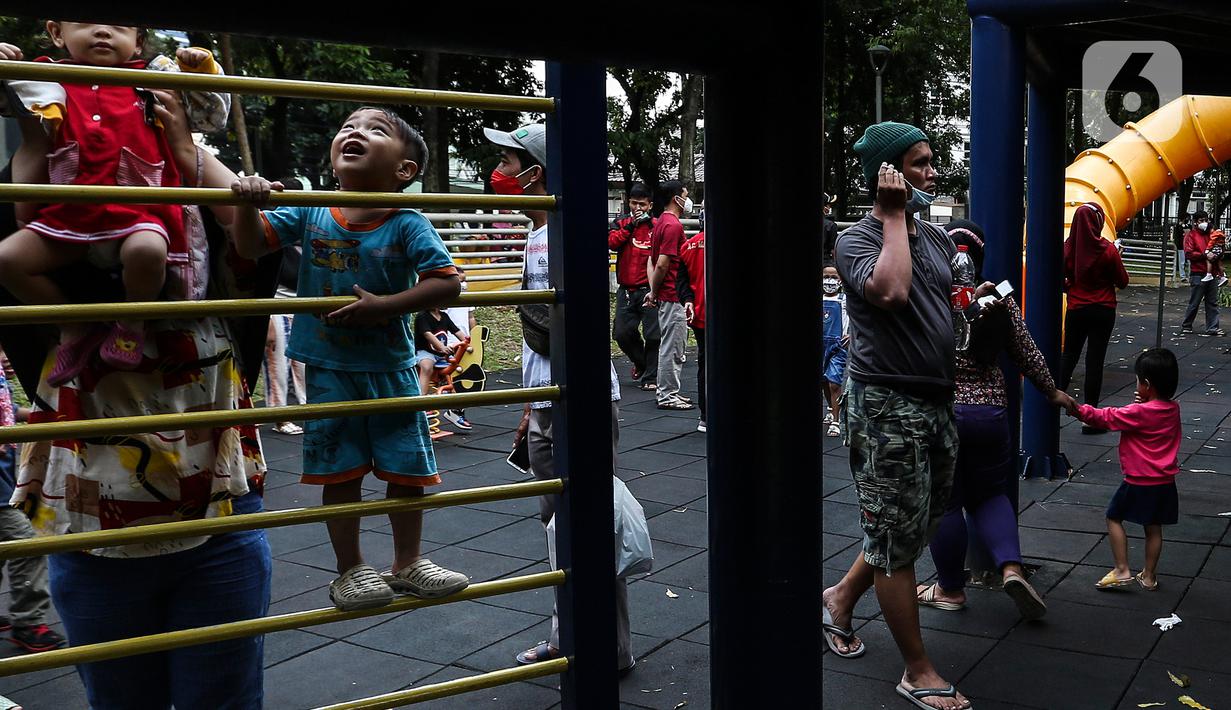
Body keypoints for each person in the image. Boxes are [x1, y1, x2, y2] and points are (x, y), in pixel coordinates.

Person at [11, 89, 269, 710]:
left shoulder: (181, 146)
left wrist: (185, 151)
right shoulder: (55, 152)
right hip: (91, 525)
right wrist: (31, 118)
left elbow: (257, 244)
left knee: (224, 699)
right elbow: (17, 226)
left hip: (216, 507)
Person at [229, 107, 469, 610]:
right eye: (348, 126)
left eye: (376, 130)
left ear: (404, 171)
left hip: (391, 366)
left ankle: (407, 562)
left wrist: (383, 307)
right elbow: (249, 247)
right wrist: (248, 204)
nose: (355, 132)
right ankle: (350, 570)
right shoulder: (312, 210)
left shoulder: (407, 222)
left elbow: (446, 282)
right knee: (341, 473)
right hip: (330, 368)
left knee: (407, 470)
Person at [824, 121, 971, 710]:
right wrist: (889, 217)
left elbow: (954, 293)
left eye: (931, 161)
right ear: (886, 173)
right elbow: (889, 293)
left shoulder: (932, 237)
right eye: (916, 163)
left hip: (935, 401)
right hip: (886, 404)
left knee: (909, 524)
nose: (930, 172)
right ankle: (917, 669)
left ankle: (838, 599)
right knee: (895, 535)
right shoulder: (857, 239)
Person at [482, 122, 634, 674]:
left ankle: (597, 644)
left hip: (581, 399)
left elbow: (571, 326)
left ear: (535, 173)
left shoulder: (569, 234)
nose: (497, 171)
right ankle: (580, 636)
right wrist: (532, 401)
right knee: (561, 529)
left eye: (506, 160)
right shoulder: (539, 232)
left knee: (584, 525)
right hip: (551, 398)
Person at [0, 26, 228, 387]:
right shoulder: (45, 77)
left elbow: (213, 117)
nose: (103, 30)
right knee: (6, 259)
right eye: (85, 22)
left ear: (138, 41)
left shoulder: (155, 76)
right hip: (69, 215)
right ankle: (73, 325)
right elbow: (7, 98)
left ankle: (130, 322)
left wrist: (201, 71)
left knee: (149, 250)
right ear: (57, 34)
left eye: (119, 25)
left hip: (139, 214)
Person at [915, 220, 1072, 621]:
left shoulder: (929, 298)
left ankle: (950, 588)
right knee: (989, 494)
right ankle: (1012, 568)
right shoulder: (999, 299)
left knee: (946, 503)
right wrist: (1051, 390)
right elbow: (1026, 350)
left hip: (944, 413)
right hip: (990, 413)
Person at [1068, 348, 1180, 591]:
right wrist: (1147, 402)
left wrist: (1076, 408)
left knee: (1114, 516)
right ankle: (1149, 576)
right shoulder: (1173, 409)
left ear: (1147, 385)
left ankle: (1122, 569)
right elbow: (1153, 417)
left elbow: (1107, 417)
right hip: (1164, 482)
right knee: (1153, 528)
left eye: (1138, 380)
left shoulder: (1139, 412)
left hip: (1139, 480)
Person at [0, 363, 64, 654]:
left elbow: (9, 413)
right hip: (1, 493)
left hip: (5, 481)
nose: (7, 357)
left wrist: (48, 416)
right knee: (27, 543)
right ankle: (28, 623)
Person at [1059, 202, 1129, 434]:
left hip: (1077, 309)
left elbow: (1060, 279)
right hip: (1103, 310)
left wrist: (1072, 287)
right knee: (1094, 361)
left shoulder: (1068, 248)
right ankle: (1090, 419)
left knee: (1068, 356)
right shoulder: (1107, 250)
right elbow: (1122, 281)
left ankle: (1050, 408)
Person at [264, 178, 308, 436]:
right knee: (277, 364)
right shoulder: (277, 238)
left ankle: (306, 410)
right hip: (278, 306)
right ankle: (280, 416)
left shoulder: (307, 235)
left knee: (303, 365)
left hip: (301, 306)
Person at [645, 180, 694, 411]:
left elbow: (651, 261)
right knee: (673, 347)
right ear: (677, 198)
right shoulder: (673, 226)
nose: (688, 199)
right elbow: (662, 264)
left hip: (667, 294)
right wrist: (654, 292)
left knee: (671, 345)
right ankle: (666, 395)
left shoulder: (660, 223)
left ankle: (669, 391)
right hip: (673, 295)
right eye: (685, 194)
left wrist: (653, 291)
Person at [610, 183, 660, 391]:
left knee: (654, 335)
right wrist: (630, 227)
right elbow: (612, 243)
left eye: (642, 204)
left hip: (650, 289)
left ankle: (651, 377)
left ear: (650, 205)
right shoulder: (620, 222)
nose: (637, 208)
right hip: (626, 289)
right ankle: (641, 363)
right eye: (633, 203)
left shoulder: (657, 226)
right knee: (621, 333)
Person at [677, 226, 706, 432]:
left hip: (700, 313)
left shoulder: (689, 245)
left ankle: (705, 415)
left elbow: (682, 280)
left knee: (705, 364)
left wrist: (687, 300)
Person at [441, 269, 477, 430]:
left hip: (465, 343)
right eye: (460, 281)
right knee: (454, 378)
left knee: (464, 378)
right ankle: (454, 409)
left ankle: (455, 408)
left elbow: (471, 318)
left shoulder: (467, 299)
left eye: (465, 281)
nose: (463, 285)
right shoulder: (445, 300)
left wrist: (475, 340)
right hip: (450, 343)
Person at [1180, 210, 1223, 336]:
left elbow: (1218, 247)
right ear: (1195, 222)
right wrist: (1204, 255)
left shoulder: (1211, 234)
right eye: (1201, 221)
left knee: (1212, 302)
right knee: (1195, 301)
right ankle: (1187, 325)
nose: (1204, 223)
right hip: (1198, 272)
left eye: (1206, 220)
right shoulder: (1191, 235)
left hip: (1212, 272)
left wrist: (1216, 253)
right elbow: (1189, 253)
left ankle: (1212, 327)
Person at [413, 307, 469, 395]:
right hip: (426, 351)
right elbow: (427, 334)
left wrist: (467, 341)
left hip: (442, 354)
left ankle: (451, 389)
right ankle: (421, 396)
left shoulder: (444, 316)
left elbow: (456, 331)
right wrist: (442, 347)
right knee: (427, 367)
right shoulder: (422, 316)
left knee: (457, 367)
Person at [822, 262, 848, 438]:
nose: (829, 280)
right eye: (826, 277)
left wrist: (852, 334)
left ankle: (836, 421)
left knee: (834, 382)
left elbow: (857, 317)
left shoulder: (845, 300)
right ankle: (831, 408)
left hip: (838, 345)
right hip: (821, 344)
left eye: (833, 277)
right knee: (824, 380)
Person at [823, 192, 840, 261]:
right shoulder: (831, 225)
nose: (829, 207)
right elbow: (833, 252)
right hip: (825, 262)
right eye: (829, 205)